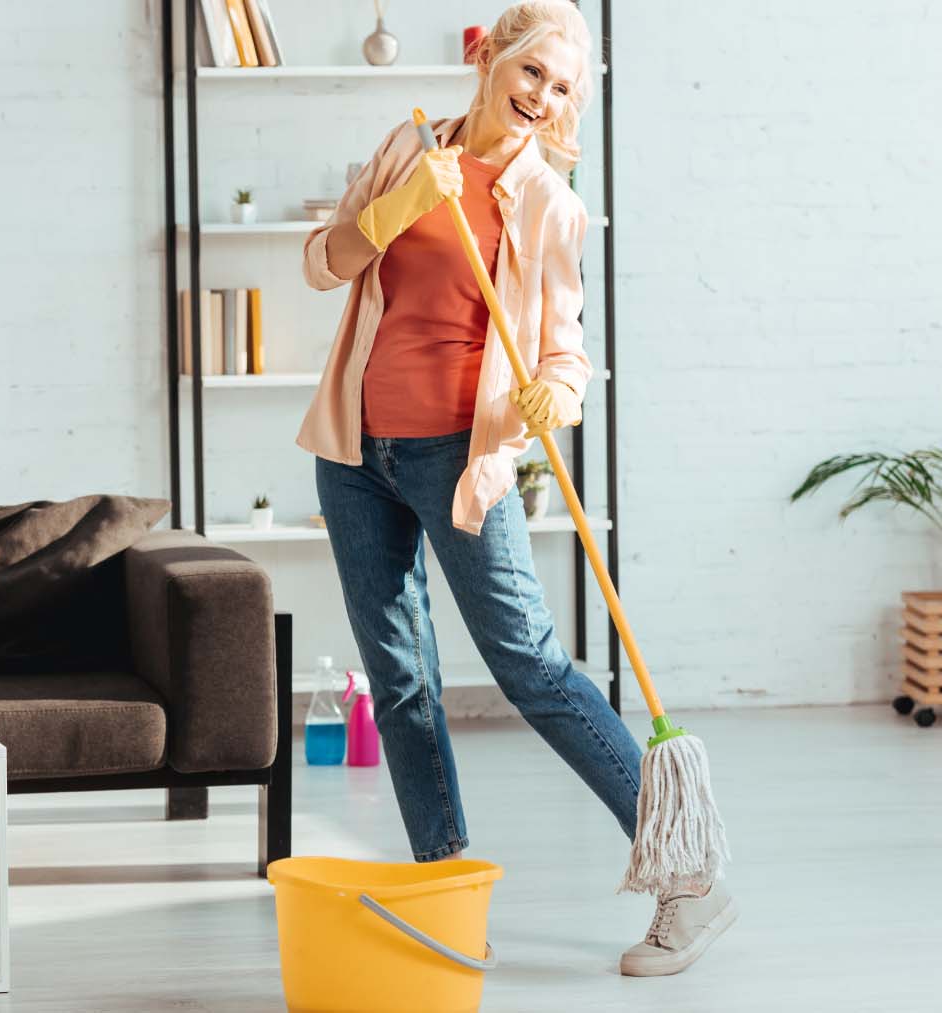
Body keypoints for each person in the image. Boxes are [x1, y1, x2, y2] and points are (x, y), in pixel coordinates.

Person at [296, 1, 735, 977]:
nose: (543, 96)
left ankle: (689, 875)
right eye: (533, 71)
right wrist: (404, 203)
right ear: (492, 59)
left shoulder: (550, 202)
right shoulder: (408, 147)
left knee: (533, 667)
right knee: (403, 678)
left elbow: (566, 353)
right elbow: (324, 263)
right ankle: (447, 891)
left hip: (462, 456)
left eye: (564, 86)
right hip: (355, 454)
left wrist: (555, 397)